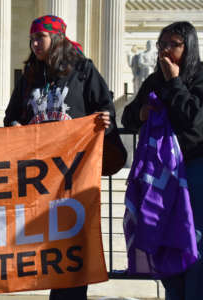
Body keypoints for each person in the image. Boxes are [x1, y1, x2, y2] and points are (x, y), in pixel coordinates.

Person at [4, 15, 119, 300]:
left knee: (72, 244)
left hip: (73, 176)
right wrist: (15, 128)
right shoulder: (29, 75)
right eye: (31, 39)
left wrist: (107, 121)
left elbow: (104, 108)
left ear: (56, 39)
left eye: (39, 38)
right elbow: (10, 116)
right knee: (44, 245)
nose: (33, 44)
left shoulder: (83, 70)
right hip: (38, 178)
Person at [122, 21, 203, 300]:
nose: (165, 50)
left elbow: (193, 119)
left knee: (193, 237)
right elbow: (128, 117)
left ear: (189, 47)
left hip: (194, 171)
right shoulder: (154, 80)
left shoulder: (200, 77)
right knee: (164, 236)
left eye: (173, 44)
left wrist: (175, 82)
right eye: (162, 44)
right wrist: (142, 113)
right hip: (160, 175)